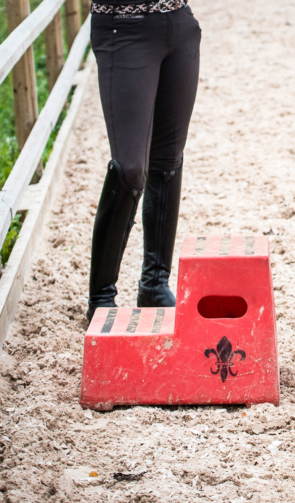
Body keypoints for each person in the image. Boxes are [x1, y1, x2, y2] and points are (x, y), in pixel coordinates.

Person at [87, 0, 201, 321]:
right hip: (123, 27)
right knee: (130, 168)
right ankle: (101, 297)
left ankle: (154, 283)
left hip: (178, 23)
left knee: (168, 159)